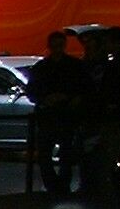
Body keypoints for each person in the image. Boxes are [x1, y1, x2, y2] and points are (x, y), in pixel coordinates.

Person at [26, 31, 92, 197]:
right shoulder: (69, 66)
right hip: (56, 115)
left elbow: (85, 90)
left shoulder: (47, 67)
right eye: (55, 46)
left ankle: (57, 185)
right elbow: (32, 92)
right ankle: (57, 186)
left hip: (62, 115)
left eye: (59, 46)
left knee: (61, 154)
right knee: (55, 154)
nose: (57, 49)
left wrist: (54, 98)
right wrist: (47, 99)